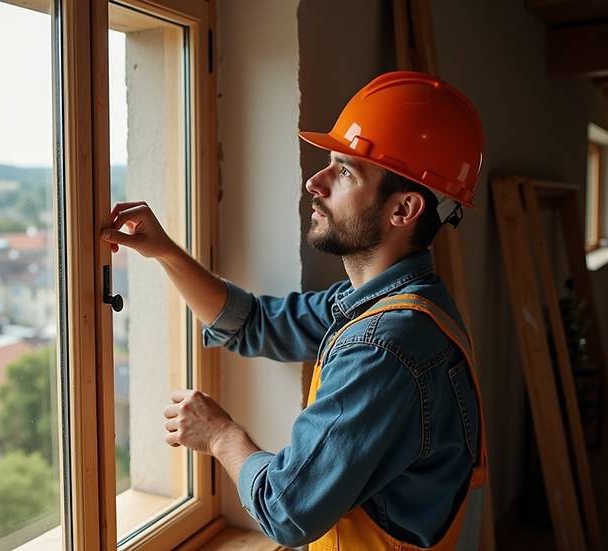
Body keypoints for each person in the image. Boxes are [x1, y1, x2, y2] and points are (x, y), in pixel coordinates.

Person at [100, 71, 487, 551]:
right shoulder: (386, 305)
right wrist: (166, 253)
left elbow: (288, 510)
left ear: (403, 209)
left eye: (345, 171)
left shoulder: (386, 345)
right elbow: (253, 323)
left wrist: (220, 435)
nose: (314, 181)